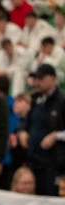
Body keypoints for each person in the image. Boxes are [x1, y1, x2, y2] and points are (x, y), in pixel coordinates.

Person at [18, 64, 65, 196]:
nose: (37, 82)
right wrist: (22, 132)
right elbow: (26, 122)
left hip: (53, 165)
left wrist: (56, 135)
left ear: (53, 78)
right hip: (33, 161)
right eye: (36, 78)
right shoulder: (36, 99)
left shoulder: (62, 101)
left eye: (41, 78)